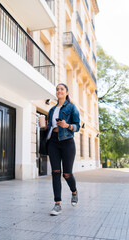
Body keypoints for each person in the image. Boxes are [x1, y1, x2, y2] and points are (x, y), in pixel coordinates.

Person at [47, 83, 80, 216]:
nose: (59, 91)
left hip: (67, 142)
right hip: (53, 142)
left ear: (66, 92)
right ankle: (57, 204)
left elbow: (78, 126)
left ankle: (74, 191)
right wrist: (44, 126)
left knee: (67, 174)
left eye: (62, 89)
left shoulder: (72, 107)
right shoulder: (51, 110)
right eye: (57, 89)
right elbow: (50, 127)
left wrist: (67, 125)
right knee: (55, 172)